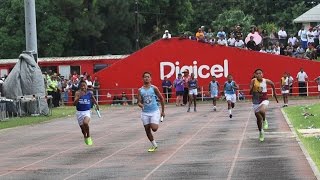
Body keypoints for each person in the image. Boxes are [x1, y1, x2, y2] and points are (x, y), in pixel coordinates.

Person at [137, 72, 165, 152]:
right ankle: (154, 145)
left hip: (154, 111)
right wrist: (141, 105)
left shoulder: (154, 88)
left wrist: (163, 111)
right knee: (147, 129)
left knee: (154, 128)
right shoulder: (140, 90)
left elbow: (161, 98)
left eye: (148, 77)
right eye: (145, 77)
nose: (146, 78)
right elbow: (138, 102)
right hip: (145, 113)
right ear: (142, 79)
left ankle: (155, 121)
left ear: (150, 78)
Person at [250, 69, 278, 142]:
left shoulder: (266, 81)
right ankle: (261, 132)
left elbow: (272, 84)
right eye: (257, 73)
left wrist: (274, 92)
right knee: (259, 119)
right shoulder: (253, 81)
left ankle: (265, 120)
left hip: (264, 99)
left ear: (262, 74)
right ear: (255, 75)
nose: (259, 75)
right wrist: (253, 87)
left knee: (262, 110)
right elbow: (250, 92)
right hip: (255, 101)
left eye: (260, 73)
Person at [73, 81, 99, 146]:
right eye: (81, 86)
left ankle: (89, 135)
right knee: (82, 129)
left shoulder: (89, 93)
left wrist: (97, 105)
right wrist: (79, 97)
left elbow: (93, 99)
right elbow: (74, 104)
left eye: (84, 85)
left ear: (86, 86)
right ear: (80, 87)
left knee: (85, 123)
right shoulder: (77, 93)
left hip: (87, 111)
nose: (83, 87)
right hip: (79, 113)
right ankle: (85, 135)